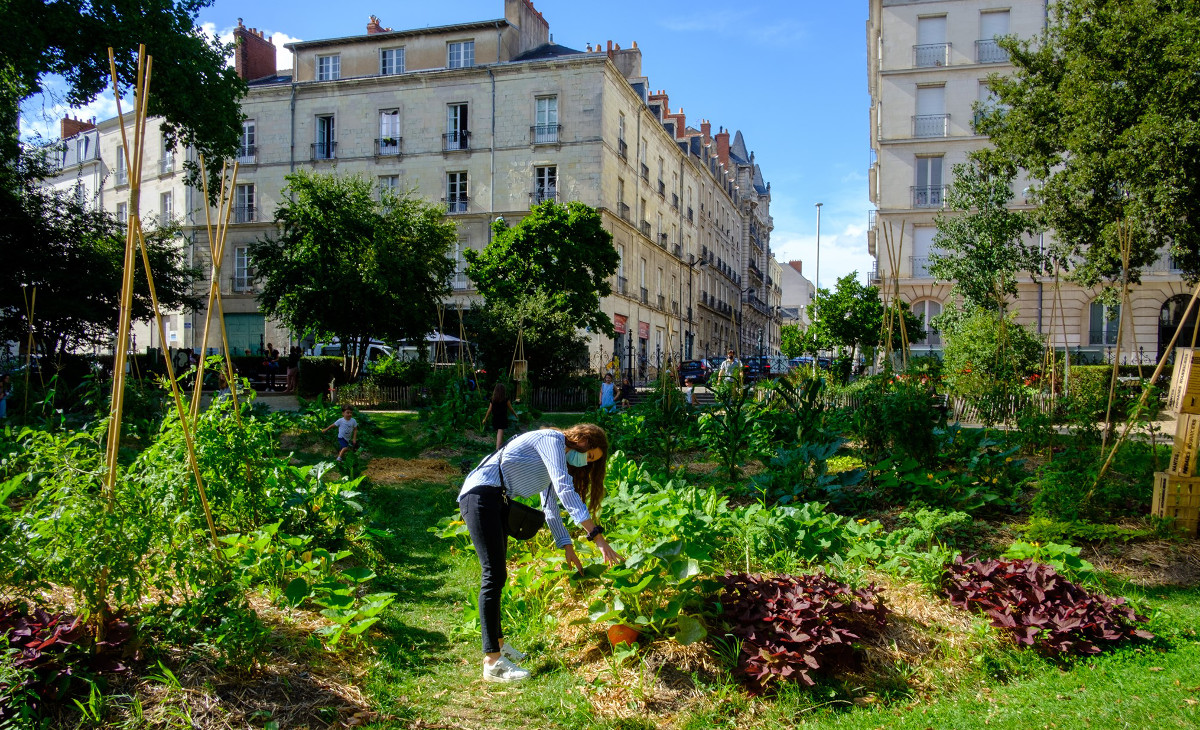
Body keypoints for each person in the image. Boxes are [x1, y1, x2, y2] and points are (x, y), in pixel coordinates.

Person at [458, 424, 623, 683]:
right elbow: (565, 489)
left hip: (495, 499)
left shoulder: (554, 457)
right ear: (581, 439)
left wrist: (566, 545)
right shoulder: (552, 440)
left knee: (498, 576)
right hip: (480, 496)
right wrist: (597, 537)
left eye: (591, 461)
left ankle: (498, 645)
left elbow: (550, 508)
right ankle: (492, 662)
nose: (585, 463)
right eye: (589, 455)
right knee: (493, 576)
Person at [481, 383, 520, 450]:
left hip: (495, 418)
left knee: (499, 435)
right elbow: (511, 408)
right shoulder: (505, 399)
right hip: (502, 419)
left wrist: (485, 418)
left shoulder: (493, 400)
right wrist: (516, 415)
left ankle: (499, 448)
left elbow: (489, 409)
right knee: (500, 435)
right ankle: (497, 450)